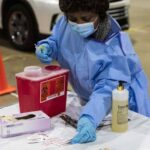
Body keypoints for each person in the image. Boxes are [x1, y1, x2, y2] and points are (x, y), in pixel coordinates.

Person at [35, 0, 150, 144]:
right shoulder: (65, 23)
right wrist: (48, 47)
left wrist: (90, 117)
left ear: (99, 14)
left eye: (86, 19)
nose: (78, 24)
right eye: (73, 18)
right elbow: (58, 40)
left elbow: (109, 88)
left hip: (121, 103)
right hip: (89, 98)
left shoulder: (112, 42)